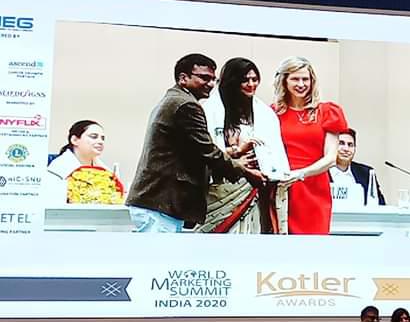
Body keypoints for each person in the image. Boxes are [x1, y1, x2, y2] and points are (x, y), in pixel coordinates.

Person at [126, 53, 265, 232]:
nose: (211, 84)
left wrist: (234, 152)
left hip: (158, 204)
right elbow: (208, 152)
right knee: (160, 251)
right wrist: (247, 172)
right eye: (204, 78)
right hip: (160, 205)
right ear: (183, 78)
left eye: (213, 79)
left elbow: (192, 151)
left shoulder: (174, 99)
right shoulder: (187, 105)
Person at [200, 57, 289, 233]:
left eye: (255, 79)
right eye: (245, 80)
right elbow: (206, 151)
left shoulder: (264, 113)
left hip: (256, 188)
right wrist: (236, 158)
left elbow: (274, 152)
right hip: (222, 189)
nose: (251, 84)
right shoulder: (210, 110)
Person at [272, 56, 348, 234]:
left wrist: (301, 174)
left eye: (305, 79)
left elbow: (331, 158)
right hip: (282, 186)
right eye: (295, 79)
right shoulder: (273, 112)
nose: (301, 84)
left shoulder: (327, 111)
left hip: (314, 186)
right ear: (284, 81)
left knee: (314, 243)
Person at [46, 120, 122, 204]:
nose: (101, 142)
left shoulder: (104, 170)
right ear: (74, 140)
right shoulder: (59, 168)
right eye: (94, 137)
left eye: (102, 138)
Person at [329, 128, 386, 206]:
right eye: (341, 143)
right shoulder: (320, 172)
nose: (346, 149)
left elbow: (380, 204)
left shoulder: (366, 173)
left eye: (350, 145)